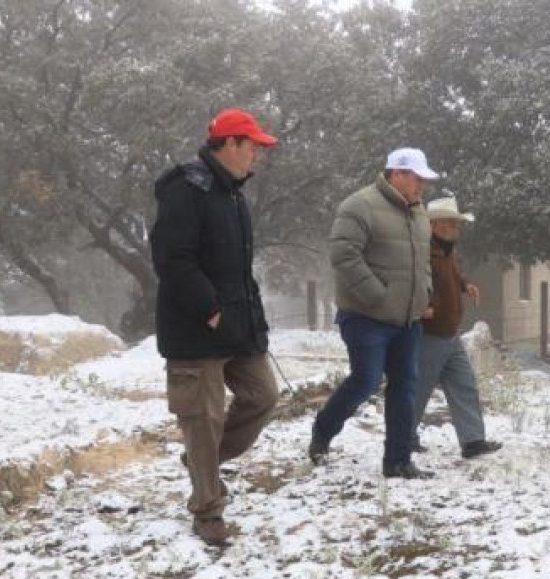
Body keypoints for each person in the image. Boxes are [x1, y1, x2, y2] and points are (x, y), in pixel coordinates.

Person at [150, 108, 280, 546]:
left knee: (263, 396)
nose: (258, 156)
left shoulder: (232, 193)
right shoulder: (184, 188)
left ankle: (202, 462)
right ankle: (207, 510)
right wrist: (208, 307)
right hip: (195, 327)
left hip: (238, 324)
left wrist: (253, 320)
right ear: (229, 144)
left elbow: (240, 270)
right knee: (201, 418)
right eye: (253, 147)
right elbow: (173, 259)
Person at [309, 148, 438, 479]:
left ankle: (397, 461)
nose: (422, 185)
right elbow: (343, 255)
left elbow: (423, 263)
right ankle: (323, 431)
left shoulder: (419, 213)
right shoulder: (359, 205)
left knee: (405, 386)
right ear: (397, 174)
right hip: (366, 316)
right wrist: (377, 296)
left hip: (408, 319)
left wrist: (424, 294)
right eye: (418, 178)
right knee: (365, 381)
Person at [411, 197, 503, 459]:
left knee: (465, 385)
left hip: (450, 333)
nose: (456, 229)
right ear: (435, 224)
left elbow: (452, 273)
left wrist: (465, 285)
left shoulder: (446, 250)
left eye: (456, 224)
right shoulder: (423, 252)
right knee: (418, 390)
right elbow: (413, 284)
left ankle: (473, 441)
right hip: (429, 334)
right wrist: (422, 307)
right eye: (451, 223)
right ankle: (403, 437)